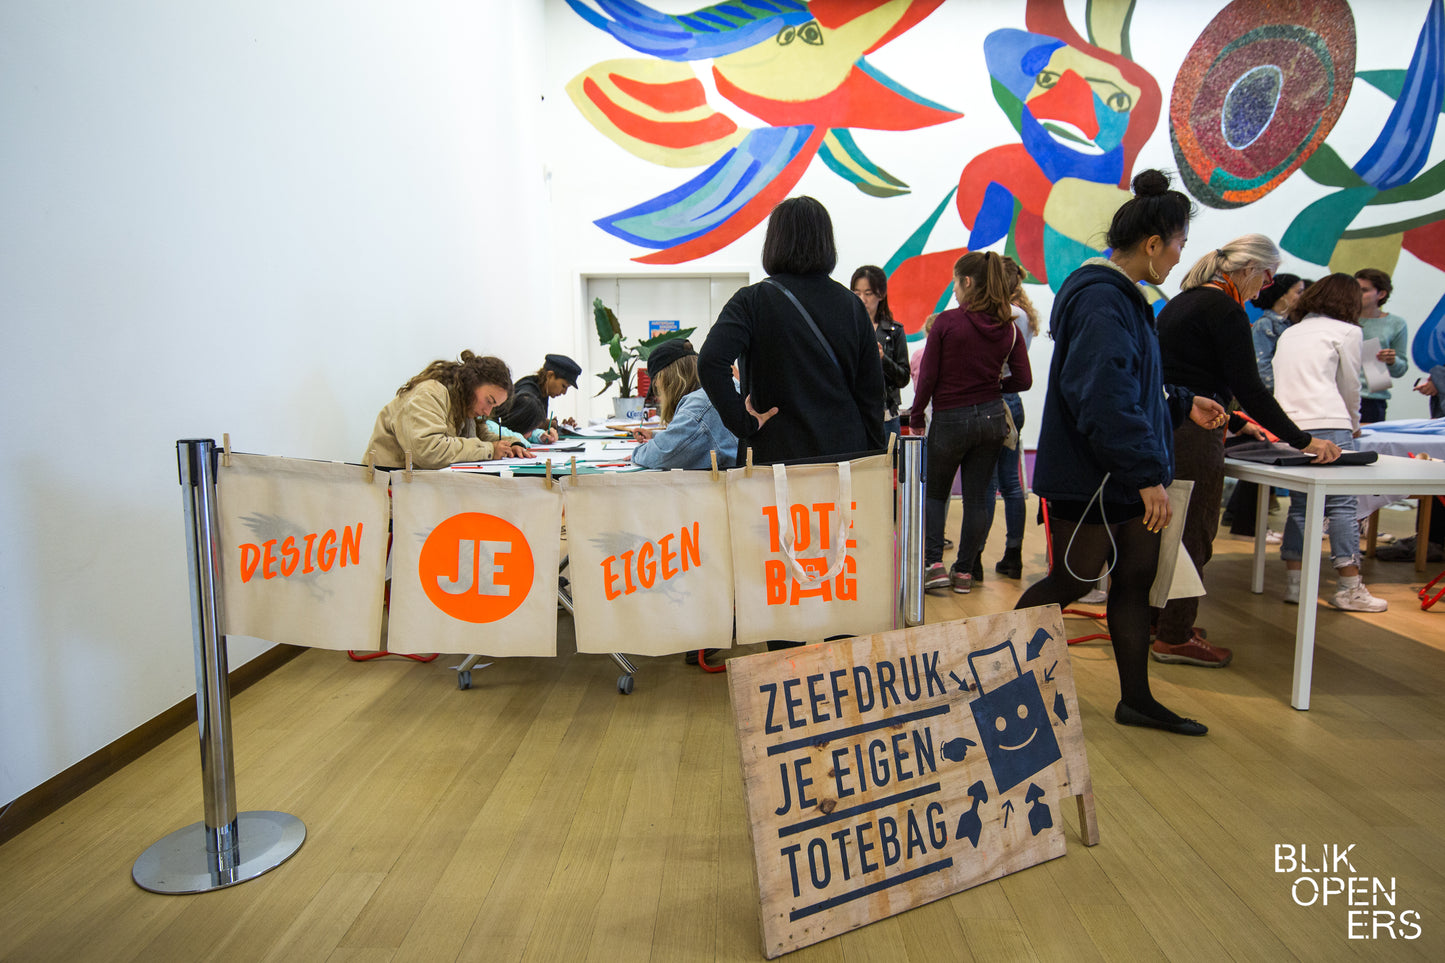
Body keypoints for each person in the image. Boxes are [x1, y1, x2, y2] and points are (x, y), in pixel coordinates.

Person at [1015, 169, 1228, 737]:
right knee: (1072, 580)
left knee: (1134, 581)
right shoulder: (1103, 299)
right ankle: (1001, 677)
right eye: (1180, 244)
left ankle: (1135, 698)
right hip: (1093, 476)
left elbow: (1130, 382)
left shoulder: (1121, 299)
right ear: (1154, 243)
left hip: (1118, 473)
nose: (1181, 257)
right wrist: (1144, 474)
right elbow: (1101, 395)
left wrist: (1183, 403)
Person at [1152, 236, 1342, 668]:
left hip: (1171, 421)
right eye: (1267, 274)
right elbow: (1249, 387)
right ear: (1246, 270)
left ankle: (1157, 621)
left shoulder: (1186, 301)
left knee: (1168, 529)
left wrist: (1238, 421)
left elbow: (1186, 372)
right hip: (1193, 431)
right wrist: (1303, 439)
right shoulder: (1225, 308)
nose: (1269, 284)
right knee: (1194, 531)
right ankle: (1175, 635)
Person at [698, 196, 886, 465]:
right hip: (843, 458)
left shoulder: (752, 300)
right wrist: (873, 455)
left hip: (774, 456)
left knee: (769, 509)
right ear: (826, 242)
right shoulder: (852, 305)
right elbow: (871, 393)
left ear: (774, 240)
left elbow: (710, 362)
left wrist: (743, 422)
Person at [910, 251, 1032, 594]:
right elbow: (1023, 379)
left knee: (935, 493)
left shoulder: (947, 323)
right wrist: (995, 387)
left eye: (954, 281)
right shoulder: (1007, 328)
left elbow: (928, 376)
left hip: (950, 418)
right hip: (992, 418)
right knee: (979, 497)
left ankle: (934, 566)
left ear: (966, 282)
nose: (954, 288)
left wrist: (918, 414)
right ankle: (964, 572)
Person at [1274, 274, 1388, 612]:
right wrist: (1353, 424)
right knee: (1342, 506)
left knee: (1300, 505)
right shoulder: (1348, 331)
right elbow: (1351, 384)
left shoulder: (1291, 332)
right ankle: (1349, 586)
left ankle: (1296, 584)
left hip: (1290, 426)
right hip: (1330, 422)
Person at [978, 256, 1040, 580]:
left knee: (988, 484)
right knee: (1012, 483)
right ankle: (1012, 554)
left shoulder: (1004, 316)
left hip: (993, 398)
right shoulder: (1024, 314)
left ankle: (974, 557)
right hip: (1014, 400)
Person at [364, 351, 530, 469]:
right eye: (489, 401)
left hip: (414, 490)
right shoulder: (429, 394)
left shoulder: (463, 402)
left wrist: (511, 445)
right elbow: (429, 450)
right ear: (472, 384)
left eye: (494, 407)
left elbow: (481, 437)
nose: (487, 412)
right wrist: (490, 450)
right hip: (388, 491)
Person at [630, 340, 738, 470]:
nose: (659, 396)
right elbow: (698, 439)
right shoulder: (724, 386)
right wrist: (655, 436)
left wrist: (637, 452)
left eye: (658, 388)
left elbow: (662, 455)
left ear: (668, 380)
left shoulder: (699, 406)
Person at [851, 265, 910, 439]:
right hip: (854, 416)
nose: (862, 299)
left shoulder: (894, 331)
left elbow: (904, 377)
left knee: (888, 465)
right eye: (856, 292)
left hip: (886, 417)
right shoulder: (845, 329)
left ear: (881, 294)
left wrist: (883, 359)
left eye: (868, 293)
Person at [1354, 269, 1410, 423]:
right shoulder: (1342, 318)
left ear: (1381, 294)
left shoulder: (1396, 324)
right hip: (1340, 395)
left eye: (1364, 290)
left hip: (1373, 398)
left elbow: (1401, 369)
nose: (1357, 294)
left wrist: (1392, 361)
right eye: (1355, 289)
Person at [495, 353, 582, 443]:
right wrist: (543, 423)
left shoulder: (543, 390)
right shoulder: (527, 394)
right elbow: (516, 427)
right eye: (564, 386)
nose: (564, 392)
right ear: (550, 375)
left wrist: (561, 429)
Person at [1250, 273, 1305, 392]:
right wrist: (1286, 390)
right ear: (1283, 295)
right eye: (1299, 292)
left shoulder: (1291, 325)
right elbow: (1261, 366)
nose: (1303, 297)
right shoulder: (1264, 325)